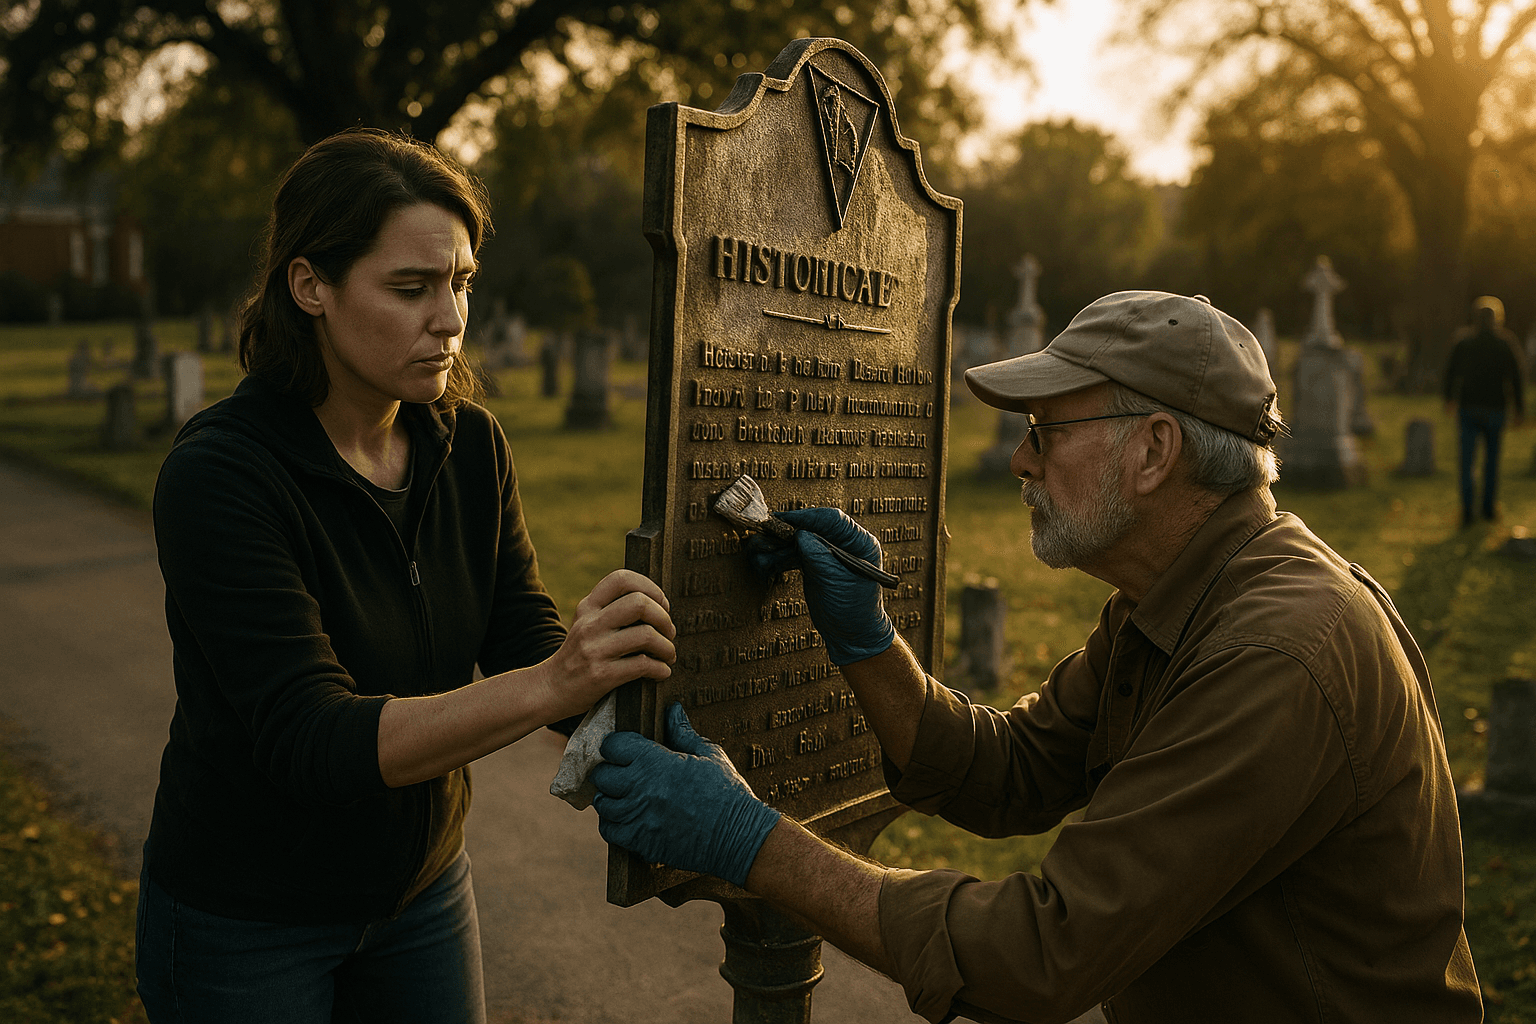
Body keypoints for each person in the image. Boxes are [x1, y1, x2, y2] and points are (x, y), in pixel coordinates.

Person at [591, 292, 1481, 1022]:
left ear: (1153, 451)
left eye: (1044, 432)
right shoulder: (1179, 594)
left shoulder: (1275, 651)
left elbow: (1043, 956)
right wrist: (867, 643)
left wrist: (750, 842)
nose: (1019, 460)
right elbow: (1012, 772)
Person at [136, 128, 677, 1023]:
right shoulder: (222, 475)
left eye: (461, 282)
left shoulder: (467, 446)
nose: (451, 319)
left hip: (421, 895)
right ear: (309, 285)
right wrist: (554, 682)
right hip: (247, 921)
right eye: (412, 287)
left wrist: (640, 681)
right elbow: (313, 740)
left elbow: (519, 630)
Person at [1444, 295, 1525, 526]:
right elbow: (1516, 377)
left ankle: (1467, 509)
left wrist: (1449, 399)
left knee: (1467, 460)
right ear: (1498, 318)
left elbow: (1451, 372)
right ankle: (1488, 509)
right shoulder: (1505, 342)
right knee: (1491, 461)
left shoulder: (1464, 342)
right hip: (1495, 409)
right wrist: (1518, 408)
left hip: (1468, 408)